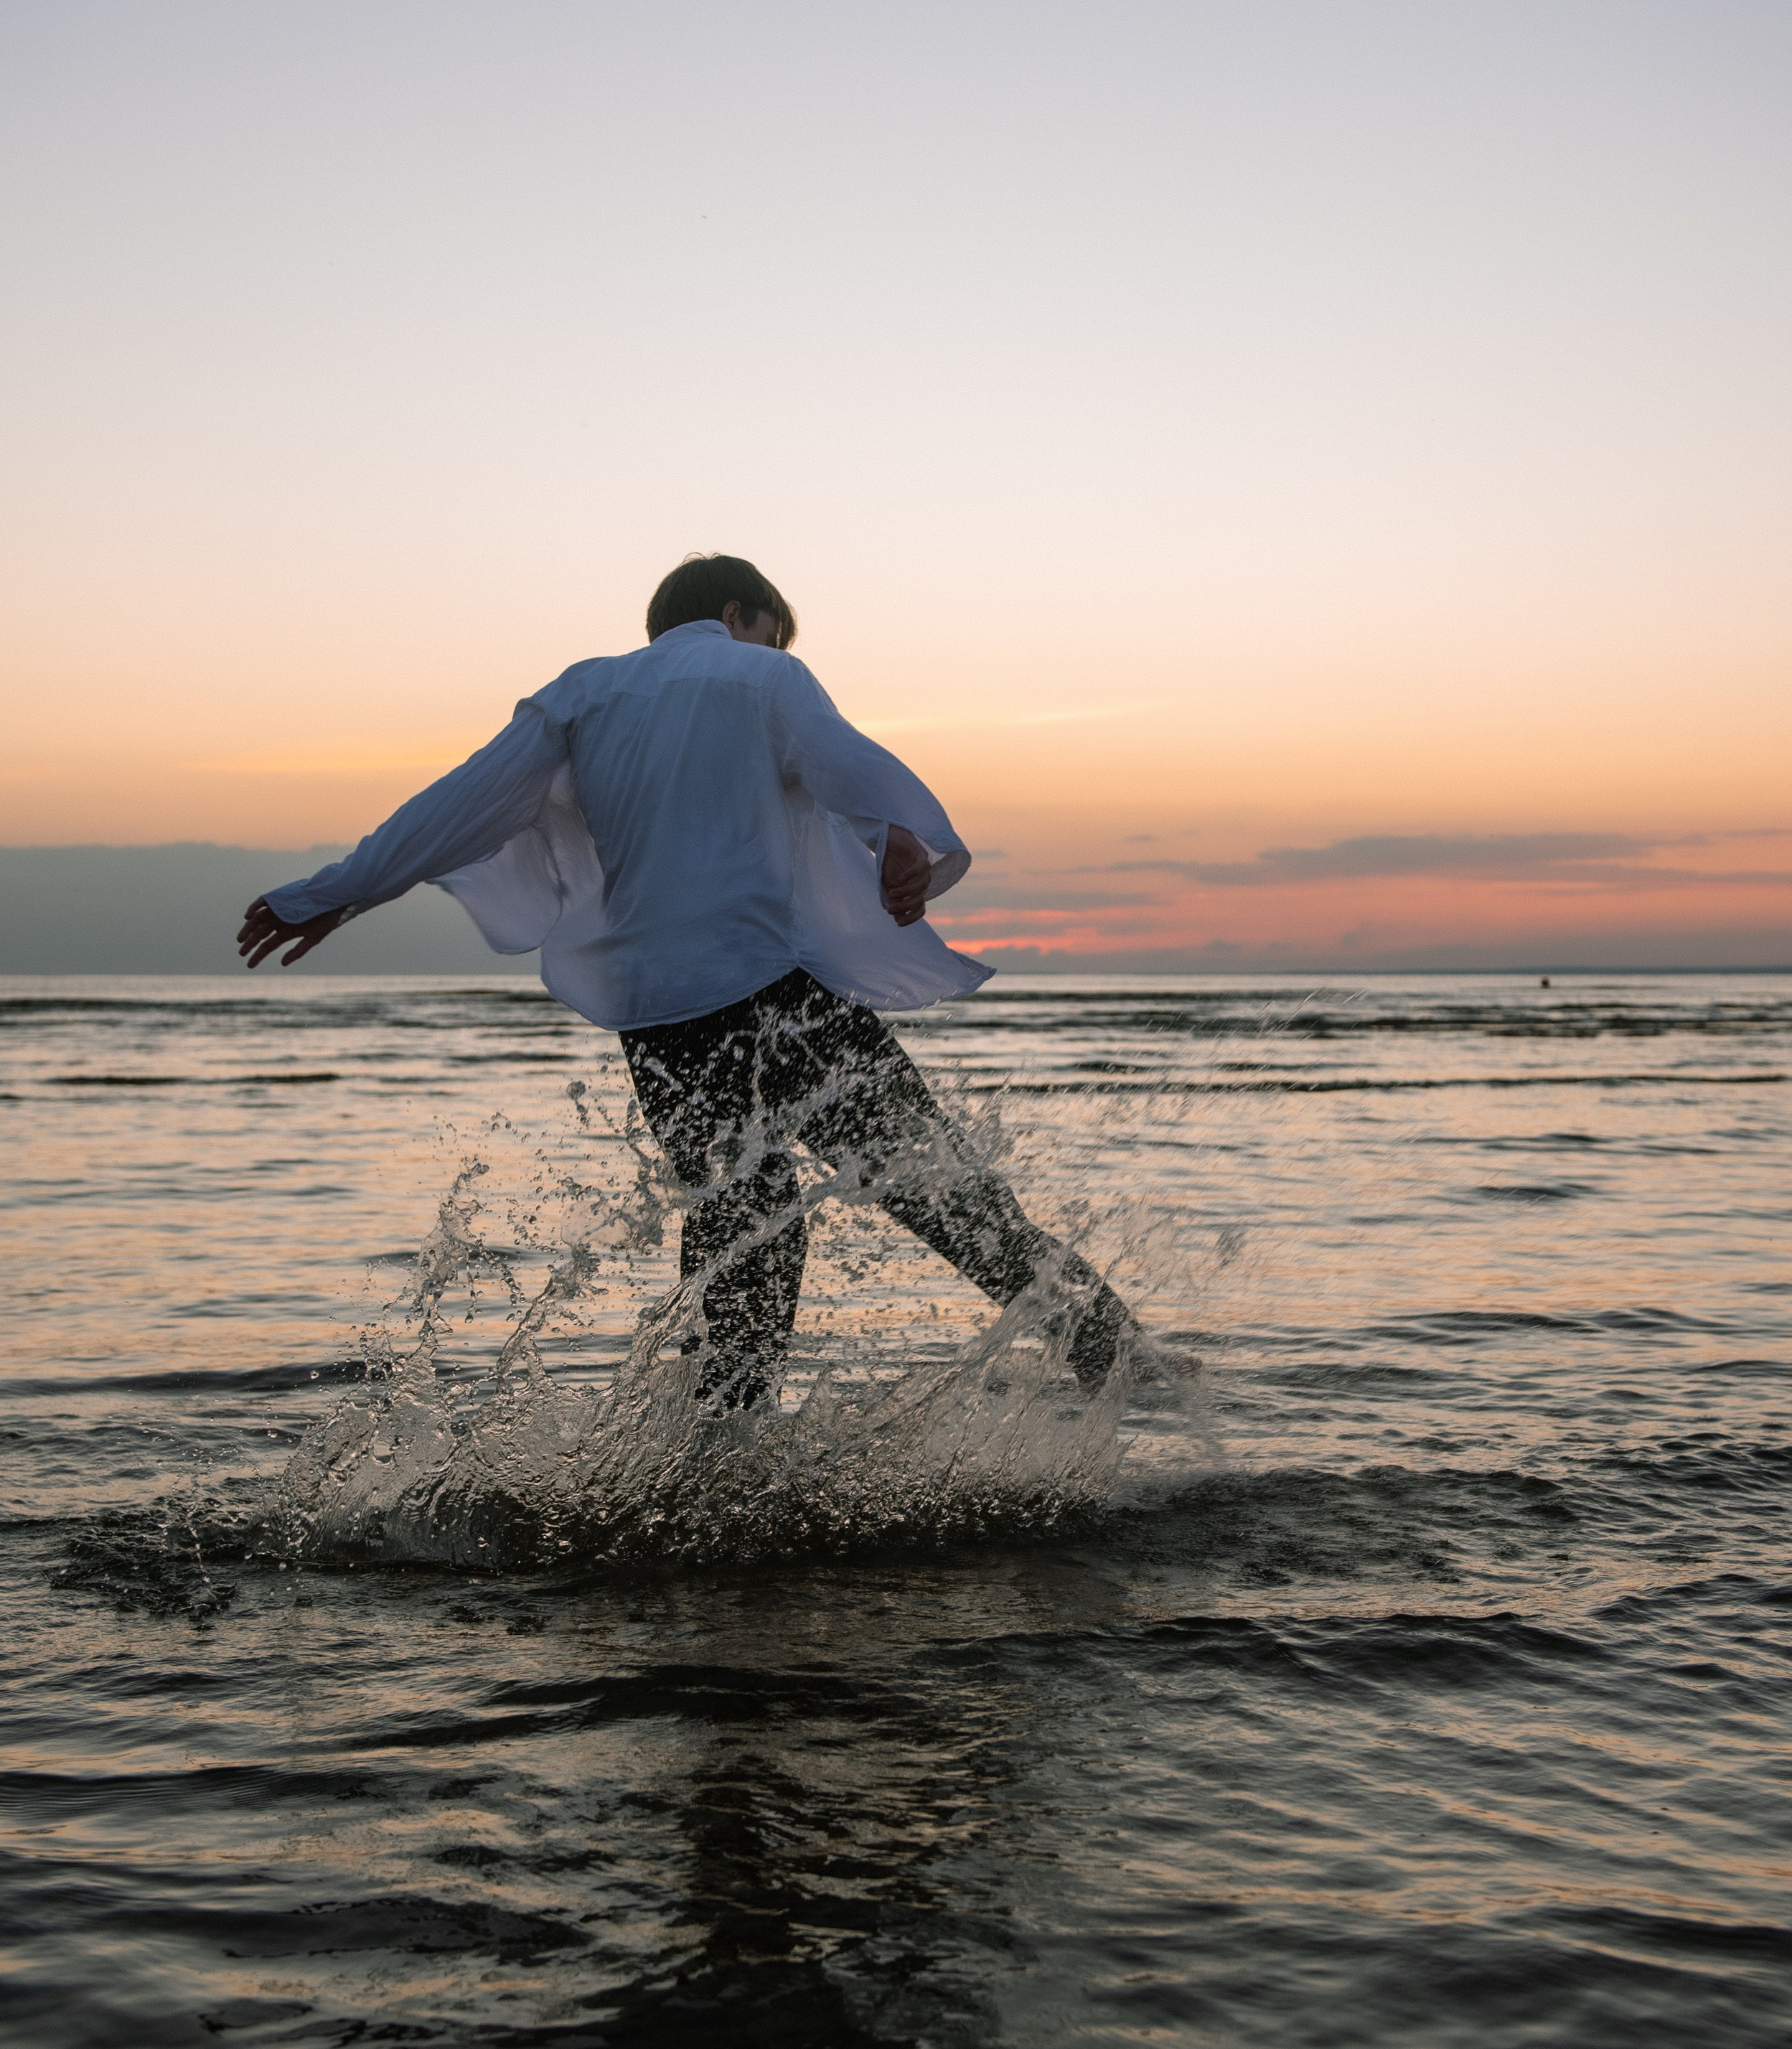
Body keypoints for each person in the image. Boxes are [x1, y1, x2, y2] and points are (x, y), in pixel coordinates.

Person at [239, 553, 1129, 1410]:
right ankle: (1113, 1356)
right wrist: (898, 828)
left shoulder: (582, 692)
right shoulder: (764, 677)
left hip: (660, 1016)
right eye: (772, 633)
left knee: (741, 1228)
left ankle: (716, 1447)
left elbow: (458, 805)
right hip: (775, 993)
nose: (775, 650)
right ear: (743, 615)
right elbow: (840, 759)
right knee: (943, 1195)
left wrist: (336, 893)